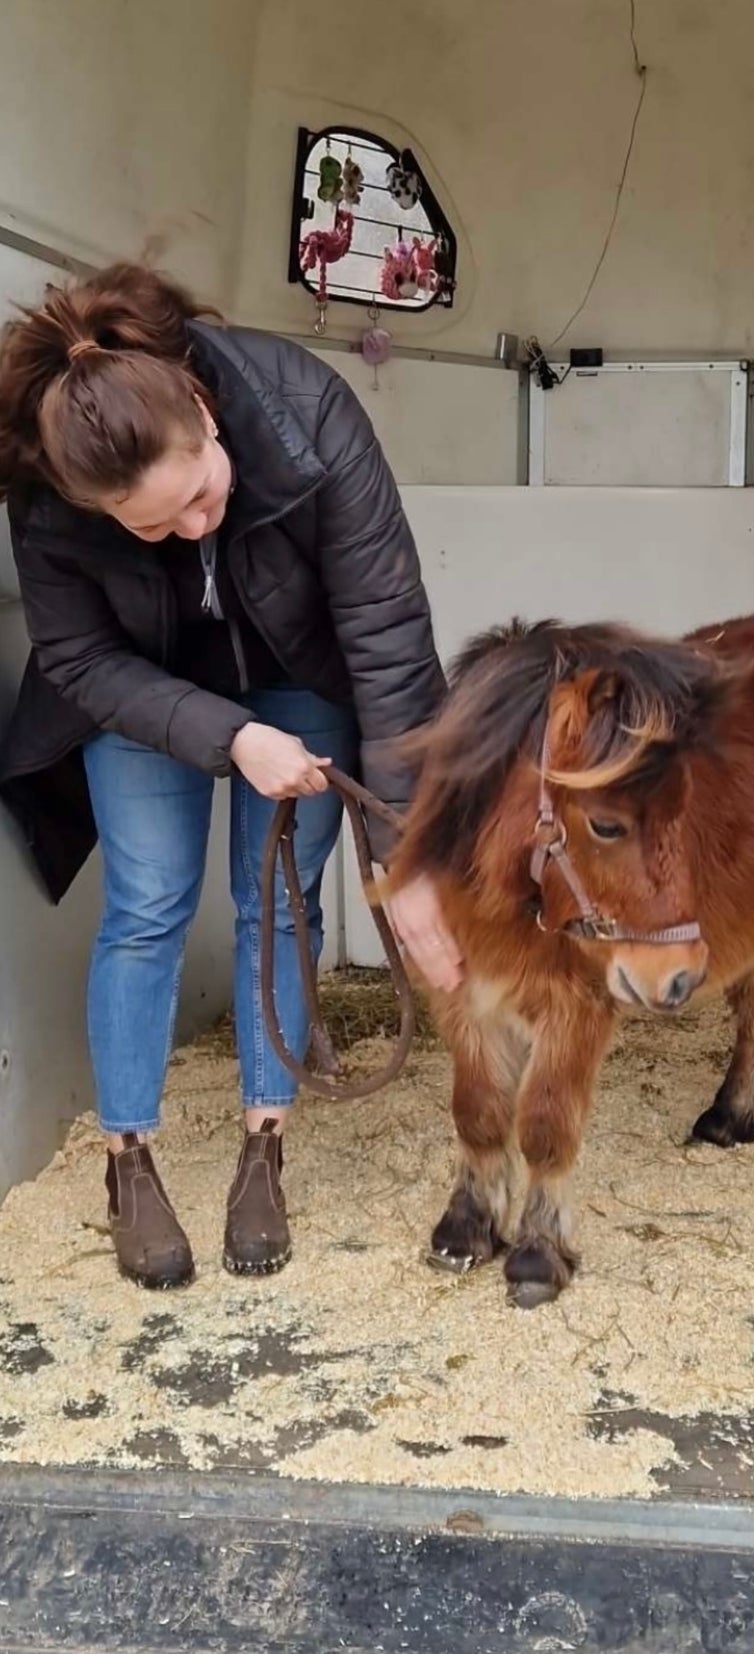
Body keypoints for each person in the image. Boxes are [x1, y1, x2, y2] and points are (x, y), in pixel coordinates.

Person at [0, 262, 464, 1291]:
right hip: (142, 691)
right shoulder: (47, 492)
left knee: (281, 899)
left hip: (301, 672)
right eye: (155, 528)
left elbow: (386, 635)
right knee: (149, 902)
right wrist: (230, 736)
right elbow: (78, 659)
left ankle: (265, 1142)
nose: (194, 530)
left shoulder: (306, 411)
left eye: (202, 496)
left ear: (205, 412)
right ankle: (130, 1160)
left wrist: (410, 850)